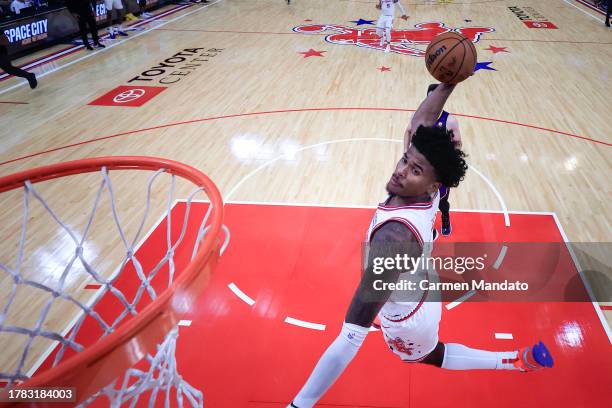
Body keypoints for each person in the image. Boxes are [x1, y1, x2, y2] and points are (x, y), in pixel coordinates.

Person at [287, 81, 553, 408]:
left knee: (430, 356)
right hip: (420, 281)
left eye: (414, 169)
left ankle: (514, 360)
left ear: (432, 182)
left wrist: (299, 404)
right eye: (404, 160)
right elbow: (420, 126)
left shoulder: (394, 240)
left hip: (409, 315)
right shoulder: (428, 191)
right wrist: (449, 84)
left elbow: (350, 338)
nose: (400, 172)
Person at [405, 83, 461, 236]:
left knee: (442, 201)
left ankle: (445, 217)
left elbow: (458, 143)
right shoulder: (418, 117)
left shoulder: (450, 121)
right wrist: (406, 152)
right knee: (421, 202)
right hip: (421, 170)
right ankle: (426, 231)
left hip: (439, 171)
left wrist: (451, 162)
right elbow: (408, 132)